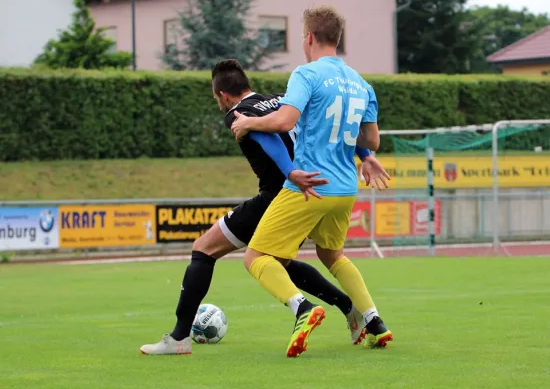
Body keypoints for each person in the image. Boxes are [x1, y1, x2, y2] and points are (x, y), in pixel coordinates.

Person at [140, 59, 391, 355]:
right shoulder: (279, 100)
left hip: (283, 193)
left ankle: (179, 338)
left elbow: (267, 137)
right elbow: (327, 124)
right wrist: (364, 153)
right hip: (317, 188)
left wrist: (288, 172)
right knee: (281, 261)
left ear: (221, 95)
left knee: (205, 248)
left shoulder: (238, 113)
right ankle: (351, 308)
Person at [230, 6, 393, 358]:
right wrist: (365, 158)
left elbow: (285, 121)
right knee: (331, 253)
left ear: (309, 38)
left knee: (255, 255)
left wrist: (247, 124)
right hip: (346, 188)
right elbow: (372, 140)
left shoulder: (307, 74)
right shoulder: (361, 83)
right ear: (338, 38)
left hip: (310, 186)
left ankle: (302, 308)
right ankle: (374, 322)